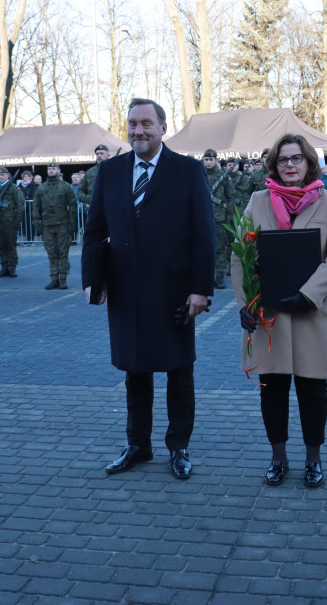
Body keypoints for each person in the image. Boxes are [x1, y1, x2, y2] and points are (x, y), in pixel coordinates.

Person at [82, 97, 215, 480]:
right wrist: (93, 280)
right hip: (125, 291)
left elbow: (203, 236)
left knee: (178, 370)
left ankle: (179, 447)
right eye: (132, 124)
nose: (138, 131)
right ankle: (138, 445)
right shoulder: (110, 172)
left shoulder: (187, 171)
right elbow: (94, 232)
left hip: (174, 290)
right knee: (134, 371)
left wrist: (200, 289)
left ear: (162, 128)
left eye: (146, 124)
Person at [233, 133, 327, 488]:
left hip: (312, 312)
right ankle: (278, 458)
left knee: (313, 391)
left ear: (309, 163)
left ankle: (313, 459)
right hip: (269, 314)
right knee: (272, 390)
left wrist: (309, 293)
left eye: (296, 159)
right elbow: (241, 257)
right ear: (274, 165)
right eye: (283, 160)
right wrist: (244, 304)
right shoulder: (258, 201)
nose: (290, 165)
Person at [33, 162, 78, 289]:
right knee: (52, 253)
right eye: (49, 168)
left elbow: (73, 205)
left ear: (58, 170)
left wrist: (71, 223)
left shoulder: (65, 187)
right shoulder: (41, 188)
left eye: (54, 168)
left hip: (62, 224)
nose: (51, 170)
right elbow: (36, 207)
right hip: (47, 225)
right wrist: (36, 222)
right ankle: (54, 278)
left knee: (63, 253)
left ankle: (63, 278)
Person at [202, 149, 235, 289]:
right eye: (206, 160)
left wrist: (227, 212)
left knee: (220, 249)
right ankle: (205, 278)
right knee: (203, 249)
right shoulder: (198, 175)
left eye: (211, 160)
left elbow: (231, 197)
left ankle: (219, 278)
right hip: (202, 217)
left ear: (216, 160)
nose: (209, 163)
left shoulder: (223, 176)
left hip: (219, 219)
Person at [0, 167, 24, 277]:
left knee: (11, 246)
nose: (0, 177)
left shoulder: (13, 188)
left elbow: (20, 204)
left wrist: (17, 220)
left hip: (10, 222)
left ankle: (12, 268)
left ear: (8, 175)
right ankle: (4, 267)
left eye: (2, 175)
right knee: (1, 246)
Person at [78, 144, 111, 209]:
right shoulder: (89, 172)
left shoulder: (116, 170)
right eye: (97, 154)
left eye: (101, 153)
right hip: (93, 208)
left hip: (111, 208)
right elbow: (80, 191)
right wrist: (89, 199)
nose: (99, 155)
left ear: (108, 155)